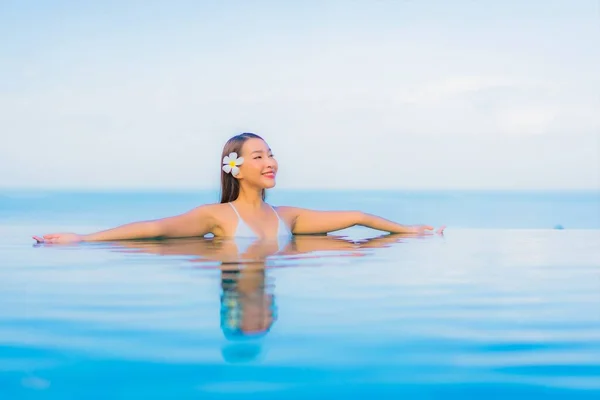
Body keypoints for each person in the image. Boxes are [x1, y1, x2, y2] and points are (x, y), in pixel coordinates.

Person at [32, 132, 445, 244]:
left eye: (271, 154)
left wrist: (410, 231)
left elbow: (357, 218)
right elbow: (153, 229)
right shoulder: (217, 217)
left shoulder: (287, 217)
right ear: (235, 167)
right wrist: (83, 238)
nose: (270, 162)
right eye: (259, 156)